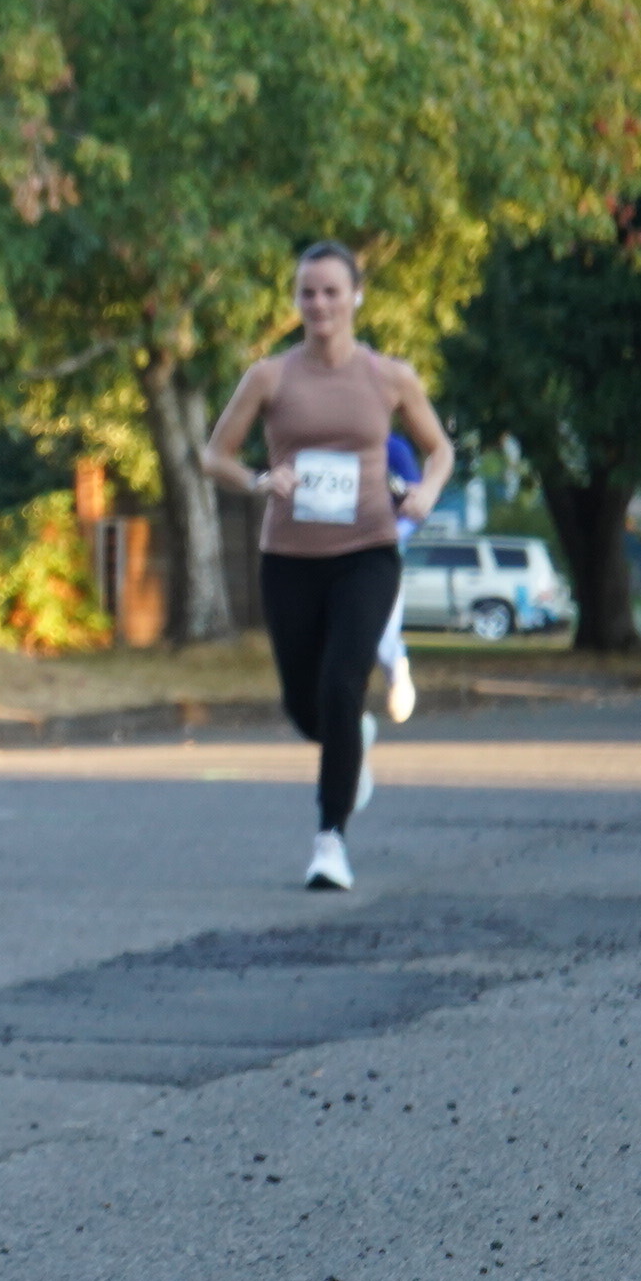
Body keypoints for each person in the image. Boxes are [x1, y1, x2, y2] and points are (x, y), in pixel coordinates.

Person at [200, 241, 452, 891]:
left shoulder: (389, 377)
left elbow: (439, 450)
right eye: (307, 293)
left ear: (356, 297)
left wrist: (425, 492)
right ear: (295, 301)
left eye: (332, 291)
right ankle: (351, 741)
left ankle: (330, 841)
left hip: (367, 553)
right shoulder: (270, 378)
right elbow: (215, 456)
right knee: (304, 704)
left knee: (342, 682)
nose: (320, 304)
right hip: (290, 558)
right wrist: (260, 480)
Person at [378, 432, 423, 724]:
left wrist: (395, 535)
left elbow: (416, 506)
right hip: (328, 551)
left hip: (381, 552)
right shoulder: (322, 441)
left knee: (381, 632)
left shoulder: (393, 448)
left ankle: (396, 668)